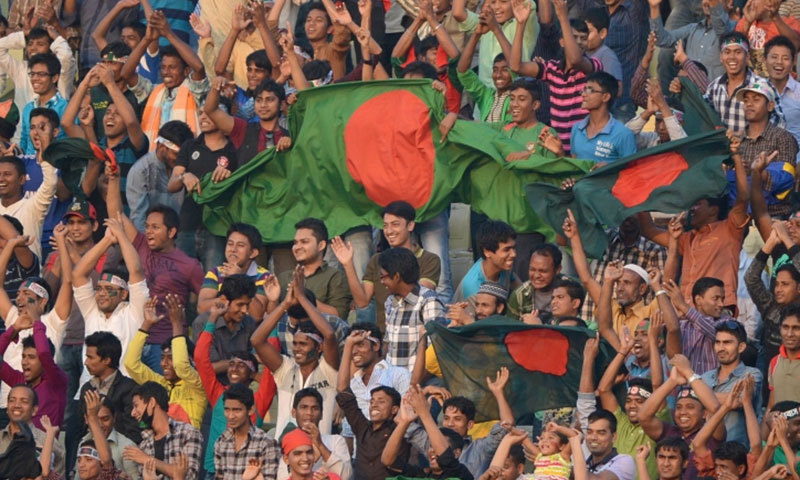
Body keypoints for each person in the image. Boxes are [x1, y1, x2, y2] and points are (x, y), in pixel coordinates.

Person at [106, 161, 204, 371]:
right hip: (135, 339)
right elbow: (116, 215)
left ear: (172, 232)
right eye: (147, 226)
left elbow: (204, 303)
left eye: (156, 228)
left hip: (167, 347)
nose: (148, 231)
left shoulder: (189, 265)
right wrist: (114, 179)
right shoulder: (141, 245)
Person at [638, 134, 749, 312]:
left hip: (717, 311)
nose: (692, 208)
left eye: (698, 203)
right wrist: (638, 191)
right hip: (686, 312)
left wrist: (736, 156)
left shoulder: (730, 229)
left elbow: (743, 198)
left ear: (714, 209)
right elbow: (647, 229)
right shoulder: (686, 238)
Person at [251, 266, 340, 435]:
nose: (297, 348)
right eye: (296, 343)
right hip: (285, 454)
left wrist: (301, 297)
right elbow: (256, 340)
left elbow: (328, 334)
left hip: (318, 453)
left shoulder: (328, 370)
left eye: (303, 344)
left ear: (319, 347)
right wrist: (285, 303)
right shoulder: (286, 368)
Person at [194, 296, 276, 479]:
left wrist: (272, 312)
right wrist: (213, 318)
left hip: (248, 472)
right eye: (231, 364)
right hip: (213, 471)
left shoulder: (257, 402)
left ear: (252, 373)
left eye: (241, 365)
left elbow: (271, 369)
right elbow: (200, 359)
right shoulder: (218, 393)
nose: (233, 368)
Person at [508, 0, 600, 153]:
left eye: (583, 38)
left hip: (582, 151)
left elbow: (576, 59)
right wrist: (520, 24)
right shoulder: (552, 69)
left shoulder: (593, 66)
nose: (579, 42)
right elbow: (516, 66)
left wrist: (562, 16)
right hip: (556, 149)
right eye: (574, 37)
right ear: (562, 42)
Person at [331, 200, 440, 328]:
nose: (389, 231)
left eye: (395, 224)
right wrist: (348, 264)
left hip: (415, 330)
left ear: (410, 225)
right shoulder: (377, 260)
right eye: (385, 226)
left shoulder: (429, 259)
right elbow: (362, 302)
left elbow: (418, 297)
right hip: (384, 335)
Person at [72, 212, 148, 385]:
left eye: (109, 289)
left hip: (123, 393)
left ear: (123, 294)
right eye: (99, 288)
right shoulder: (92, 311)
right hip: (88, 390)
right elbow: (78, 274)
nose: (101, 293)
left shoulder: (134, 312)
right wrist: (106, 241)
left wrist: (120, 235)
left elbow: (136, 271)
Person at [60, 62, 149, 207]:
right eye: (107, 113)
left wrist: (110, 84)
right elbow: (66, 123)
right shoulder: (97, 144)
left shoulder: (134, 144)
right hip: (99, 221)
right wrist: (84, 84)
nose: (110, 117)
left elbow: (132, 122)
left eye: (117, 114)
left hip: (127, 220)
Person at [167, 103, 237, 271]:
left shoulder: (234, 149)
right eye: (200, 113)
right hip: (188, 223)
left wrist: (229, 177)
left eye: (209, 113)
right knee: (182, 278)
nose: (203, 117)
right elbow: (171, 185)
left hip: (218, 227)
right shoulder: (190, 146)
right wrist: (184, 176)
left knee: (212, 280)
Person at [121, 11, 209, 145]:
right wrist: (147, 39)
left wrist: (169, 34)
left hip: (186, 156)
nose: (166, 72)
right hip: (156, 156)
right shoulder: (154, 91)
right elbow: (126, 74)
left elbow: (199, 68)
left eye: (172, 67)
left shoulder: (194, 90)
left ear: (186, 71)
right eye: (163, 67)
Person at [124, 294, 205, 429]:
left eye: (170, 358)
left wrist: (177, 324)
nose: (163, 363)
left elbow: (181, 366)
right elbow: (131, 364)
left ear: (190, 360)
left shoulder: (197, 385)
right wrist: (147, 324)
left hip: (186, 446)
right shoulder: (160, 384)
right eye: (162, 358)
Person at [637, 357, 724, 480]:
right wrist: (672, 382)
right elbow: (643, 416)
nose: (683, 412)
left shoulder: (711, 435)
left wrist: (689, 374)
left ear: (704, 413)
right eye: (678, 407)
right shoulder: (669, 432)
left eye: (690, 407)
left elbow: (715, 408)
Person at [0, 298, 67, 430]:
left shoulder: (56, 381)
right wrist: (14, 329)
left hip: (46, 448)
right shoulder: (21, 381)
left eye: (31, 357)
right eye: (24, 356)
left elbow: (43, 354)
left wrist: (37, 320)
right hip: (19, 447)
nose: (25, 362)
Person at [540, 71, 637, 162]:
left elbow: (631, 173)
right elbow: (575, 166)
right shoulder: (577, 129)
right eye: (584, 90)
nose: (583, 95)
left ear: (605, 97)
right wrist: (560, 153)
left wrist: (610, 169)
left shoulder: (623, 134)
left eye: (591, 90)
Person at [385, 384, 475, 479]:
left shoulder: (461, 473)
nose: (432, 450)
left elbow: (446, 458)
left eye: (457, 419)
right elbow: (388, 462)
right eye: (431, 446)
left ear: (456, 453)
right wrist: (404, 422)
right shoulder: (422, 475)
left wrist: (424, 413)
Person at [746, 222, 800, 377]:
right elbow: (751, 279)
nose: (778, 289)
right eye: (776, 284)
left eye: (785, 284)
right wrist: (770, 244)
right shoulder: (771, 308)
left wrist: (786, 239)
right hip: (772, 378)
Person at [702, 31, 784, 133]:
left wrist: (748, 138)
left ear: (747, 57)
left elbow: (780, 123)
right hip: (720, 148)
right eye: (727, 52)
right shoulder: (714, 87)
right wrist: (680, 87)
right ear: (721, 57)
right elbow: (700, 111)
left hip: (753, 148)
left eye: (738, 52)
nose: (732, 57)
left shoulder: (763, 86)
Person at [699, 321, 763, 446]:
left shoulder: (752, 375)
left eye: (727, 343)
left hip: (738, 453)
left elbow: (738, 400)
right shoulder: (705, 377)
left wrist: (700, 396)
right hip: (708, 452)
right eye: (718, 342)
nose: (721, 348)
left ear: (741, 347)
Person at [123, 381, 203, 480]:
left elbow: (189, 476)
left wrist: (147, 459)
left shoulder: (187, 433)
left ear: (151, 403)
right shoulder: (144, 445)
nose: (133, 413)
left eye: (136, 406)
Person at [126, 121, 194, 232]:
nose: (180, 159)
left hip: (181, 236)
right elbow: (139, 218)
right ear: (162, 146)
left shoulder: (186, 166)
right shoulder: (141, 171)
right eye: (177, 154)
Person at [278, 218, 352, 320]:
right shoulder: (284, 277)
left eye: (304, 242)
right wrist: (273, 301)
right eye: (295, 242)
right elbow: (272, 318)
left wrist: (303, 296)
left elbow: (338, 317)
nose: (297, 247)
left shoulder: (335, 276)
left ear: (321, 245)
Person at [0, 27, 74, 127]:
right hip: (22, 138)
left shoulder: (59, 73)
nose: (33, 48)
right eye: (30, 44)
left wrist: (56, 37)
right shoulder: (20, 69)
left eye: (40, 44)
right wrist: (23, 35)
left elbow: (66, 57)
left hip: (54, 139)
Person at [193, 274, 260, 384]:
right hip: (213, 388)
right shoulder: (203, 323)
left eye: (247, 305)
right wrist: (242, 362)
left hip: (243, 388)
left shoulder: (249, 322)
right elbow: (208, 368)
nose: (245, 310)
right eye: (240, 304)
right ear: (224, 300)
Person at [691, 375, 762, 478]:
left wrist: (747, 403)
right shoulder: (713, 475)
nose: (719, 471)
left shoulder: (750, 477)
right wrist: (726, 407)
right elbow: (697, 444)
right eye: (717, 466)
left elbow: (756, 445)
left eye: (724, 467)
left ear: (741, 469)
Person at [77, 331, 140, 444]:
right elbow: (81, 427)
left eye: (90, 358)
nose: (86, 362)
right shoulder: (87, 388)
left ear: (107, 360)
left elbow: (133, 431)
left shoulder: (129, 388)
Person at [276, 388, 352, 480]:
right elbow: (282, 477)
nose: (309, 413)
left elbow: (346, 476)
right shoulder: (288, 442)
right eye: (304, 407)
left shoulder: (336, 441)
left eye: (315, 408)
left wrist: (320, 445)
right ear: (294, 412)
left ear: (321, 414)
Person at [198, 222, 270, 319]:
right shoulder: (215, 273)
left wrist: (240, 279)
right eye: (230, 244)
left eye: (240, 245)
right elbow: (201, 308)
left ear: (253, 253)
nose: (233, 249)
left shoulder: (264, 276)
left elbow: (256, 316)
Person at [649, 0, 733, 81]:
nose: (707, 2)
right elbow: (663, 39)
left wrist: (714, 3)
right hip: (689, 93)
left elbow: (721, 27)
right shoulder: (692, 29)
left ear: (729, 2)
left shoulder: (731, 29)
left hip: (712, 93)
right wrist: (654, 7)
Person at [213, 383, 279, 480]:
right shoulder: (221, 442)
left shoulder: (266, 443)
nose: (231, 416)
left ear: (251, 410)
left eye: (237, 410)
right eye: (227, 410)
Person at [0, 151, 57, 262]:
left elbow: (51, 183)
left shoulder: (33, 206)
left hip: (28, 276)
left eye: (7, 174)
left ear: (22, 179)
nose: (1, 179)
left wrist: (45, 156)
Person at [0, 384, 65, 476]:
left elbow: (57, 473)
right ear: (7, 408)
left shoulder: (48, 441)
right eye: (12, 400)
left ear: (34, 410)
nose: (17, 405)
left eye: (24, 401)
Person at [454, 220, 517, 303]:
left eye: (514, 248)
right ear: (487, 252)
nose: (513, 254)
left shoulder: (503, 265)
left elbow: (521, 290)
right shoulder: (474, 288)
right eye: (506, 250)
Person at [80, 395, 140, 480]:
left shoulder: (127, 447)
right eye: (95, 420)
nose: (100, 425)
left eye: (105, 419)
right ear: (86, 419)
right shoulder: (83, 442)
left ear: (114, 418)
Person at [19, 53, 68, 156]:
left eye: (41, 74)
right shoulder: (28, 108)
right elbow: (24, 141)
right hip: (30, 168)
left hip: (55, 167)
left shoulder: (66, 108)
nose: (35, 78)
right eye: (32, 74)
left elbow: (71, 143)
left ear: (55, 78)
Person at [764, 36, 800, 163]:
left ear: (793, 62)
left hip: (795, 163)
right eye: (774, 57)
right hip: (762, 164)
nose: (779, 62)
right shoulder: (757, 93)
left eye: (785, 58)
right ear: (765, 60)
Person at [581, 410, 636, 480]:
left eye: (600, 433)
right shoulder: (585, 464)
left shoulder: (625, 461)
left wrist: (575, 443)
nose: (593, 437)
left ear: (613, 437)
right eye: (589, 432)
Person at [768, 304, 800, 407]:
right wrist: (767, 421)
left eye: (796, 328)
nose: (790, 334)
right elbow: (771, 405)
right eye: (785, 327)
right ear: (780, 328)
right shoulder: (775, 362)